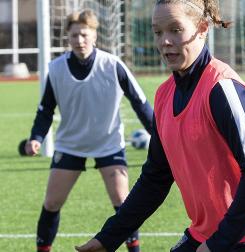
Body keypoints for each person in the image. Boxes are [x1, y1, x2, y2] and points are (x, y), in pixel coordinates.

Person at [75, 1, 245, 252]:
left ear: (202, 28)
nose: (165, 41)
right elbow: (155, 177)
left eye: (175, 30)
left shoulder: (221, 88)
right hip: (210, 231)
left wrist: (218, 243)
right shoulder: (164, 95)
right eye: (158, 32)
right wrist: (108, 238)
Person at [25, 9, 153, 252]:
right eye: (74, 35)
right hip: (70, 145)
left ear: (94, 35)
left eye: (84, 34)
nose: (79, 40)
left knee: (123, 203)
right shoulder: (56, 69)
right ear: (68, 38)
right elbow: (45, 110)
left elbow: (141, 103)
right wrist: (36, 138)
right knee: (52, 202)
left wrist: (160, 135)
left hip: (109, 143)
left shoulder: (113, 65)